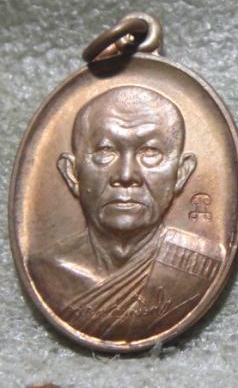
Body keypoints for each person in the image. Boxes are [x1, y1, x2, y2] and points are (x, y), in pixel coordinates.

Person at [28, 86, 223, 341]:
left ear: (181, 173)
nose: (126, 175)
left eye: (150, 152)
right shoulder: (47, 269)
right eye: (105, 150)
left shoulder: (202, 266)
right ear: (72, 173)